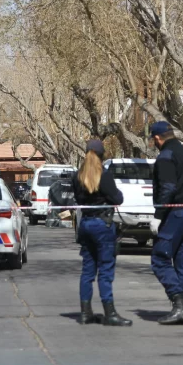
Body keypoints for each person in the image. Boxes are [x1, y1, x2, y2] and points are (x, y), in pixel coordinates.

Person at [73, 140, 131, 327]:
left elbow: (78, 198)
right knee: (105, 271)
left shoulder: (78, 176)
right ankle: (110, 313)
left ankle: (85, 313)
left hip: (86, 224)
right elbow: (117, 198)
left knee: (87, 271)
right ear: (101, 154)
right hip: (102, 225)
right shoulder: (104, 176)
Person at [149, 121, 183, 325]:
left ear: (158, 138)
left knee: (160, 258)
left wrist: (158, 215)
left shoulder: (165, 156)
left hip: (174, 213)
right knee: (182, 260)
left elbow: (168, 187)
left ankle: (178, 302)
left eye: (153, 140)